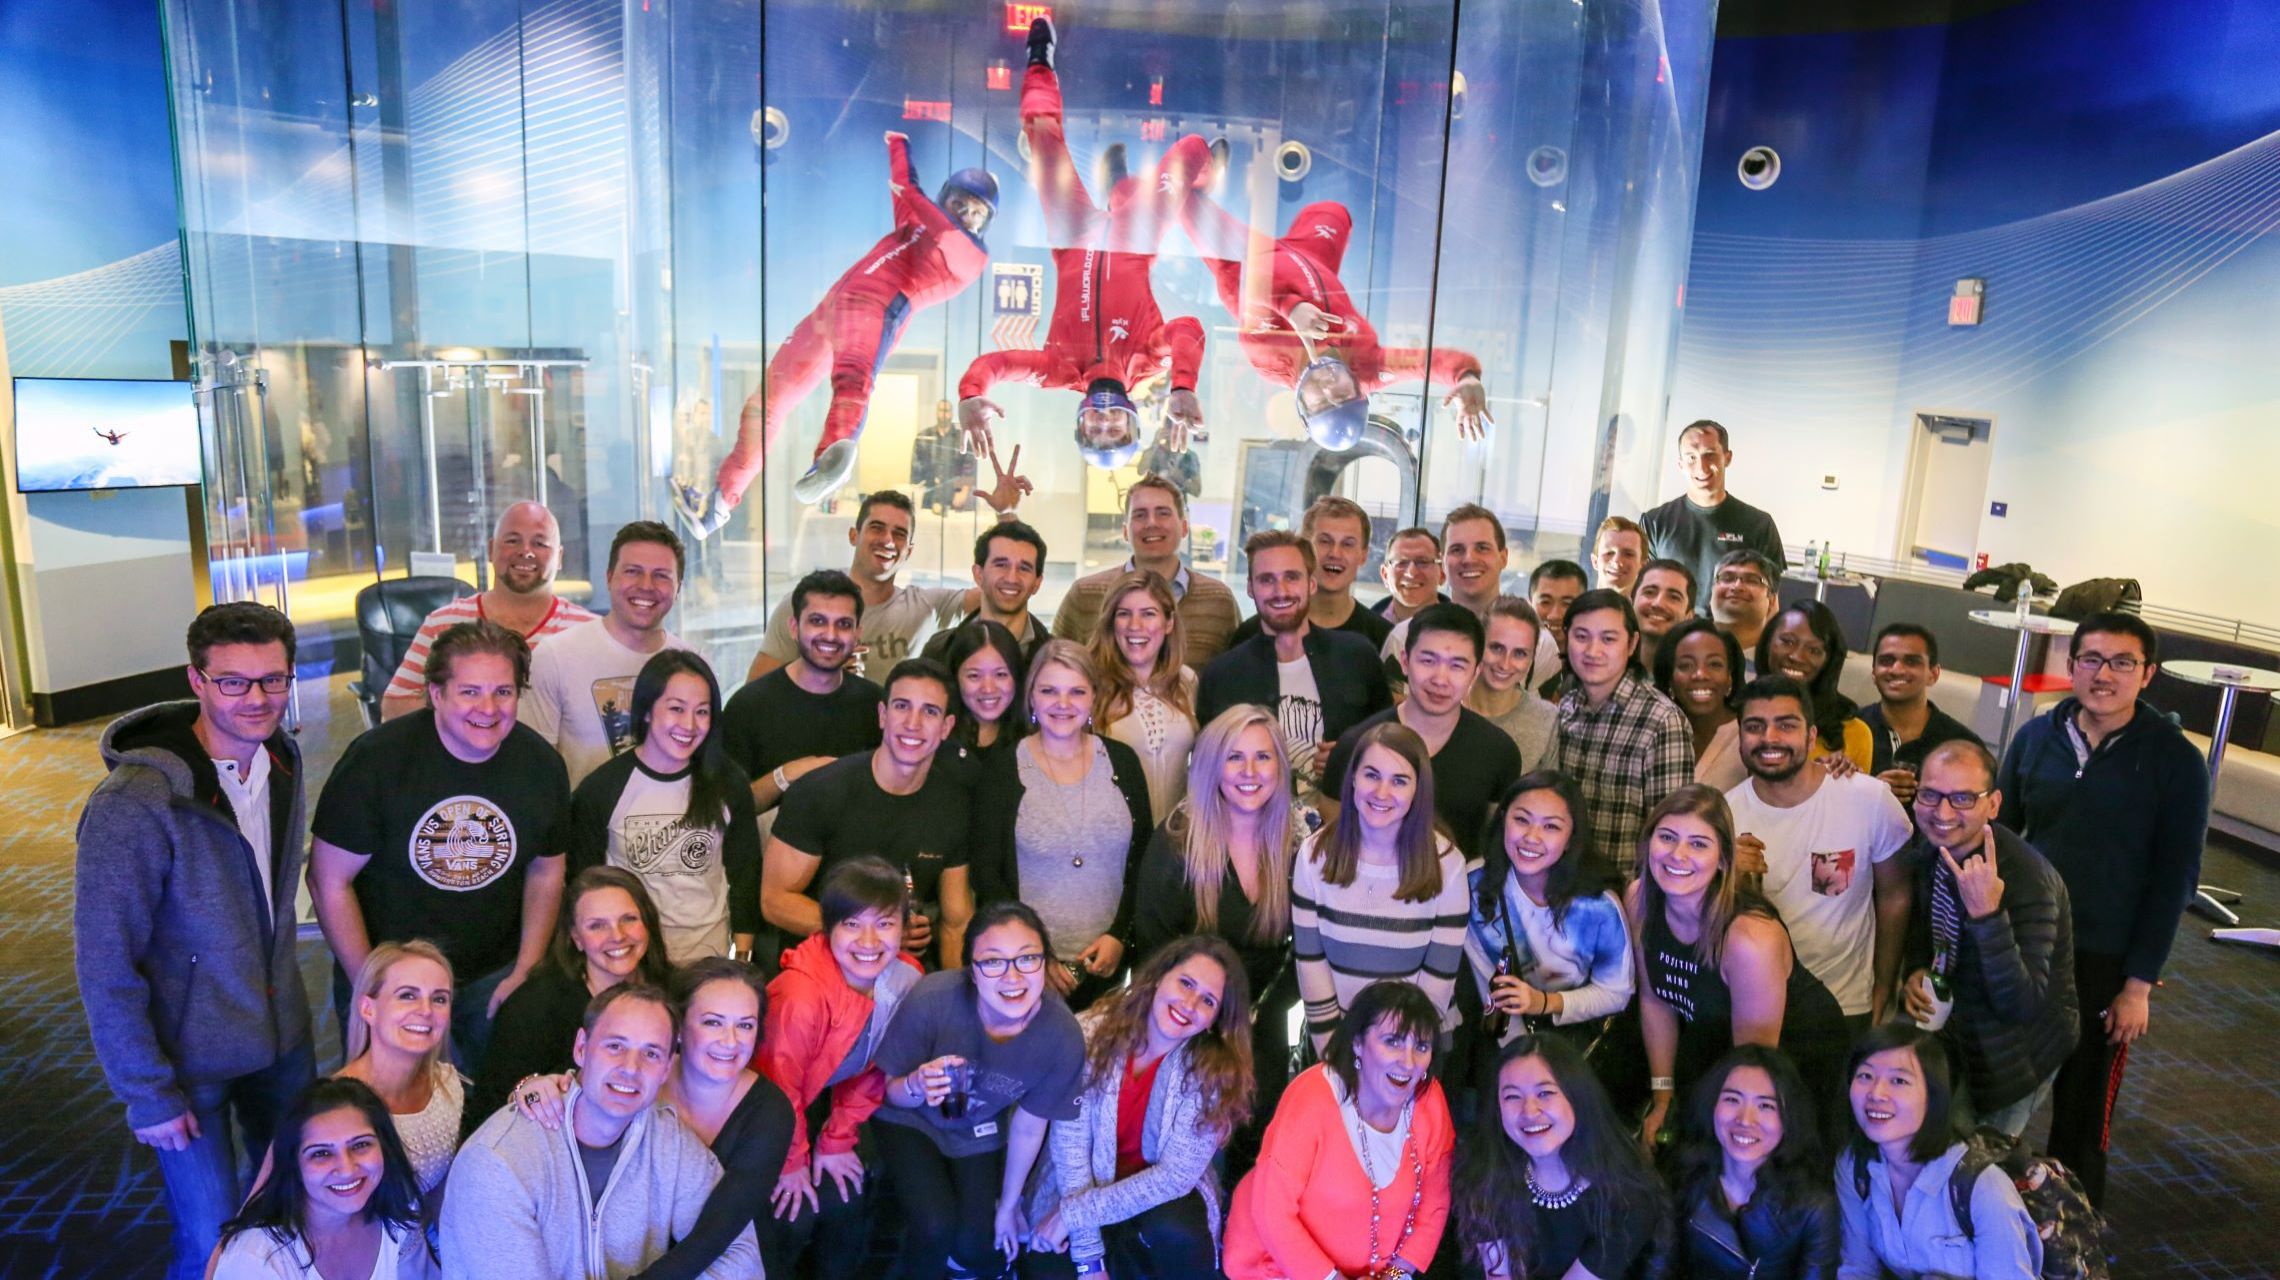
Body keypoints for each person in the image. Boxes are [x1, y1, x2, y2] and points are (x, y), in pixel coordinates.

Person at [76, 602, 314, 1280]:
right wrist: (146, 1091)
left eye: (273, 680)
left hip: (283, 1037)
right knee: (212, 1244)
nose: (257, 699)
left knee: (292, 1215)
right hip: (190, 1061)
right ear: (198, 680)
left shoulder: (284, 758)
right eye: (233, 682)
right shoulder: (136, 801)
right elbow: (104, 961)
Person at [1996, 610, 2204, 1207]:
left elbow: (2175, 878)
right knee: (1996, 1082)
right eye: (2090, 659)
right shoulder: (2037, 736)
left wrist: (2138, 985)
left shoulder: (2174, 760)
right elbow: (2003, 834)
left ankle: (2075, 1235)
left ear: (2148, 674)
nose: (2103, 674)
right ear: (2071, 665)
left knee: (2084, 1113)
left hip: (2106, 957)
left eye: (2122, 662)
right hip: (2026, 943)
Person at [684, 130, 995, 515]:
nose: (966, 215)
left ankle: (829, 460)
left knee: (852, 379)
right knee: (765, 402)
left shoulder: (970, 256)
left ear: (985, 223)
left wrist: (914, 194)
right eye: (959, 203)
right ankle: (720, 501)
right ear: (945, 197)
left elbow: (926, 209)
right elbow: (905, 185)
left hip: (877, 308)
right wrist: (898, 143)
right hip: (830, 310)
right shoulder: (916, 225)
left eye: (977, 212)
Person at [310, 620, 570, 1073]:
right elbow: (328, 881)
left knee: (492, 1113)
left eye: (503, 692)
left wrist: (526, 969)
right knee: (388, 1122)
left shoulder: (541, 765)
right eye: (469, 692)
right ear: (436, 694)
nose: (488, 709)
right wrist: (369, 986)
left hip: (493, 975)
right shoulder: (376, 762)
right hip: (393, 982)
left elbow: (546, 871)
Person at [956, 20, 1210, 472]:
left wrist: (972, 395)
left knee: (1040, 135)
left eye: (1095, 431)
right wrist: (1183, 385)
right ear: (1134, 422)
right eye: (1117, 430)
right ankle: (1145, 189)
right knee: (1193, 150)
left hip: (1071, 237)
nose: (1105, 420)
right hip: (1136, 235)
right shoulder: (1148, 360)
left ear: (1080, 422)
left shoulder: (1055, 370)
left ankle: (1039, 60)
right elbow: (1188, 329)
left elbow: (995, 363)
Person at [442, 984, 762, 1279]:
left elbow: (741, 1253)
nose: (631, 1067)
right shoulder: (497, 1162)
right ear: (581, 1048)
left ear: (666, 1069)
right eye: (615, 1046)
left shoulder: (668, 1140)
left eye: (651, 1053)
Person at [1174, 176, 1489, 453]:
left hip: (1245, 258)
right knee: (1335, 211)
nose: (1327, 389)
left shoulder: (1270, 360)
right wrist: (1466, 376)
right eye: (1341, 396)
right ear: (1358, 390)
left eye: (1320, 402)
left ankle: (1195, 180)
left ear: (1302, 405)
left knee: (1179, 192)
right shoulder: (1368, 367)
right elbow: (1426, 365)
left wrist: (1291, 308)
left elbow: (1252, 284)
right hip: (1313, 255)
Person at [872, 902, 1087, 1279]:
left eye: (1027, 959)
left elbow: (1029, 1125)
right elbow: (888, 1093)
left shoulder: (1062, 1034)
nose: (1012, 977)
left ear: (1046, 963)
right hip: (909, 1118)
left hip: (977, 1127)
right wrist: (917, 1084)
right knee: (936, 1225)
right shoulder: (932, 998)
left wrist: (1009, 1205)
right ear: (972, 970)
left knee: (980, 1245)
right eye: (993, 962)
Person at [1630, 786, 1850, 1151]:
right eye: (1666, 837)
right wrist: (1663, 1099)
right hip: (1713, 1039)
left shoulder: (1750, 940)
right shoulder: (1639, 898)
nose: (1677, 854)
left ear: (1722, 860)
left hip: (1793, 1062)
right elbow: (1656, 999)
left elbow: (1754, 1066)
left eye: (1698, 844)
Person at [1024, 936, 1257, 1280]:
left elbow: (1173, 1178)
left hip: (1156, 1199)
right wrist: (1090, 1261)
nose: (1189, 1004)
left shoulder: (1213, 1072)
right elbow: (1069, 1150)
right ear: (1159, 976)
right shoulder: (1090, 1032)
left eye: (1208, 1000)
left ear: (1215, 1020)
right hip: (1080, 1185)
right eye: (1185, 983)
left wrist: (1071, 1216)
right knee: (1044, 1266)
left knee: (1177, 1231)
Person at [755, 859, 926, 1280]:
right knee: (793, 1214)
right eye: (851, 924)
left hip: (827, 1099)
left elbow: (878, 1065)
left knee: (846, 1200)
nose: (869, 941)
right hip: (767, 1112)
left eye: (885, 924)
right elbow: (777, 1085)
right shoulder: (801, 995)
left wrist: (837, 1139)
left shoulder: (906, 977)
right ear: (827, 928)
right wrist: (793, 1161)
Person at [1900, 740, 2077, 1138]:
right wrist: (1913, 970)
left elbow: (2022, 1004)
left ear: (1993, 805)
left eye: (1963, 798)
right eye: (1930, 795)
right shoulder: (1931, 850)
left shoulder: (2028, 881)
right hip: (1959, 1037)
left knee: (1978, 1167)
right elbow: (1923, 932)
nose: (1942, 813)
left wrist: (1987, 916)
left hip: (2015, 1059)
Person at [1223, 981, 1456, 1280]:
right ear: (1357, 1042)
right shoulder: (1311, 1098)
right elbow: (1272, 1213)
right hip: (1277, 1266)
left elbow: (1434, 1204)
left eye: (1421, 1047)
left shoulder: (1429, 1099)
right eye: (1393, 1041)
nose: (1408, 1062)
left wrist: (1395, 1275)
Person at [970, 641, 1156, 1010]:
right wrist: (1035, 953)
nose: (1063, 704)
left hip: (1109, 967)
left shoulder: (1123, 762)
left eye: (1076, 691)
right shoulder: (1003, 769)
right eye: (1049, 691)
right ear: (1031, 698)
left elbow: (1143, 861)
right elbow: (988, 875)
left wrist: (1120, 937)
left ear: (1093, 698)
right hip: (1025, 971)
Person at [1725, 675, 1914, 1026]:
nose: (1769, 738)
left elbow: (1896, 895)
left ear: (1811, 736)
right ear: (1740, 737)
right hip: (1753, 1004)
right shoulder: (1723, 816)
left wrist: (1884, 987)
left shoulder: (1868, 799)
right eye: (1755, 726)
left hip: (1845, 1004)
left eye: (1786, 725)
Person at [766, 657, 976, 967]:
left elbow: (956, 923)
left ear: (946, 727)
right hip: (818, 972)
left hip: (903, 975)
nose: (913, 723)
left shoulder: (952, 803)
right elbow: (775, 901)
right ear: (882, 715)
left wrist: (956, 1005)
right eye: (902, 706)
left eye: (929, 712)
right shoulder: (820, 792)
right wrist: (877, 931)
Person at [566, 650, 759, 963]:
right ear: (645, 711)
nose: (689, 724)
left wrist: (742, 956)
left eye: (702, 712)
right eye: (676, 709)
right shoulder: (601, 789)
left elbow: (745, 873)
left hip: (710, 957)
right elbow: (584, 886)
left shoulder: (728, 781)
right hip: (631, 961)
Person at [1293, 721, 1470, 1054]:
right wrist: (1335, 1057)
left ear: (1419, 790)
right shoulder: (1313, 855)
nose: (1382, 792)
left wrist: (1395, 1057)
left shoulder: (1448, 864)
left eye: (1399, 781)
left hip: (1416, 1044)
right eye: (1371, 775)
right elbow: (1310, 962)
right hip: (1334, 1041)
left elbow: (1438, 981)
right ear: (1353, 779)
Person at [618, 958, 796, 1280]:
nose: (730, 1041)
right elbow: (578, 1086)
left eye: (745, 1025)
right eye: (713, 1022)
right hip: (634, 1244)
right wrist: (535, 1086)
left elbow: (715, 1233)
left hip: (724, 1254)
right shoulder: (641, 1074)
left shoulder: (771, 1111)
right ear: (680, 1027)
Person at [468, 866, 674, 1132]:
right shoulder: (534, 1007)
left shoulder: (677, 993)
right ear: (576, 937)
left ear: (648, 922)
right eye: (597, 925)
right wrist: (528, 1089)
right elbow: (493, 1106)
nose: (618, 935)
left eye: (629, 919)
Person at [1198, 530, 1393, 801]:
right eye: (1267, 580)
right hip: (1252, 834)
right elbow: (1206, 770)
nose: (1281, 591)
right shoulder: (1221, 675)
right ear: (1250, 587)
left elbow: (1392, 742)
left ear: (1311, 584)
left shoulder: (1357, 656)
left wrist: (1353, 754)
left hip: (1342, 830)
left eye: (1292, 577)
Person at [1835, 1025, 2042, 1279]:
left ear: (1934, 1097)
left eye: (1899, 1080)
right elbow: (1858, 1269)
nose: (1876, 1093)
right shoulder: (1853, 1166)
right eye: (1865, 1076)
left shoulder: (1982, 1187)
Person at [1321, 603, 1521, 861]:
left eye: (1457, 666)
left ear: (1475, 673)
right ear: (1404, 661)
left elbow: (1496, 848)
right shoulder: (1356, 744)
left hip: (1459, 896)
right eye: (1428, 661)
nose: (1440, 678)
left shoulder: (1499, 752)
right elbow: (1333, 843)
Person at [1454, 1034, 1665, 1280]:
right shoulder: (1485, 1172)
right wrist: (1395, 1274)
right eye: (1512, 1096)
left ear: (1577, 1096)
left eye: (1545, 1093)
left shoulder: (1628, 1198)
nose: (1529, 1111)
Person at [1464, 773, 1634, 1055]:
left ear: (1570, 838)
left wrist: (1544, 1002)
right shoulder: (1476, 884)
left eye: (1551, 827)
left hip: (1575, 1043)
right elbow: (1488, 987)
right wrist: (1522, 1058)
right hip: (1505, 1040)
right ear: (1503, 819)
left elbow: (1616, 993)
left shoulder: (1597, 907)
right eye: (1521, 820)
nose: (1532, 837)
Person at [380, 501, 596, 722]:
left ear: (559, 557)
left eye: (540, 543)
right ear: (491, 549)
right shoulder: (443, 623)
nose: (525, 551)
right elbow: (394, 708)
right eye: (512, 541)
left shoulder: (589, 632)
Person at [209, 1078, 438, 1280]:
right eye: (321, 1153)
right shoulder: (254, 1261)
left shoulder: (398, 1217)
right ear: (294, 1166)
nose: (347, 1169)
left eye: (361, 1145)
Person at [518, 521, 688, 787]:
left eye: (661, 575)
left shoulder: (692, 665)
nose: (646, 585)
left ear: (679, 587)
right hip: (584, 825)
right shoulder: (556, 656)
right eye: (633, 571)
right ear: (609, 577)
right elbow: (531, 770)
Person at [748, 490, 974, 682]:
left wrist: (1005, 512)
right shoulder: (803, 605)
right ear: (854, 535)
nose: (887, 540)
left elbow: (1000, 594)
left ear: (910, 550)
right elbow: (755, 692)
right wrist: (818, 670)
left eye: (899, 533)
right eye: (877, 528)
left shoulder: (926, 606)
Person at [1657, 1045, 1840, 1280]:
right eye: (1732, 1100)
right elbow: (1658, 1270)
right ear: (1711, 1105)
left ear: (1788, 1118)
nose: (1745, 1120)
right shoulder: (1681, 1178)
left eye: (1766, 1106)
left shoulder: (1815, 1209)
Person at [719, 569, 882, 819]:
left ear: (857, 634)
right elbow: (727, 811)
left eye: (843, 624)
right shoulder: (747, 707)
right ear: (794, 628)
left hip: (857, 854)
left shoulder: (875, 704)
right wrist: (786, 775)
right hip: (769, 852)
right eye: (817, 621)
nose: (830, 635)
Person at [1553, 589, 1694, 878]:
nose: (1592, 651)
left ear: (1632, 644)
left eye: (1608, 639)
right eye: (1581, 637)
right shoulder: (1564, 709)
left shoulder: (1663, 720)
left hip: (1624, 895)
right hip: (1558, 887)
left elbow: (1672, 833)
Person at [1050, 474, 1241, 666]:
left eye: (1163, 513)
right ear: (1125, 531)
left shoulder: (1219, 601)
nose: (1151, 523)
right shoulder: (1085, 596)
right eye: (1140, 515)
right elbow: (1053, 670)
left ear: (1184, 527)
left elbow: (1237, 675)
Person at [336, 942, 464, 1198]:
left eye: (439, 999)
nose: (426, 1011)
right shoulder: (330, 1107)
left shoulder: (447, 1083)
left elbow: (440, 1192)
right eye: (407, 995)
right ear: (368, 1009)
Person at [1087, 570, 1199, 823]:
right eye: (1124, 614)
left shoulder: (1187, 681)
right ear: (1111, 622)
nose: (1134, 626)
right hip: (1112, 841)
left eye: (1148, 614)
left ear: (1169, 623)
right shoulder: (1089, 684)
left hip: (1173, 844)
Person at [1641, 420, 1787, 605]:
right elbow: (1643, 591)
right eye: (1691, 457)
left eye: (1709, 455)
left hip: (1734, 632)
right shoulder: (1655, 522)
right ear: (1680, 464)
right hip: (1672, 632)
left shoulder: (1759, 525)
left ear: (1727, 458)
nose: (1701, 467)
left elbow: (1771, 600)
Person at [1229, 496, 1394, 649]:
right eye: (1324, 541)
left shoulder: (1384, 639)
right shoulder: (1251, 635)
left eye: (1347, 544)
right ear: (1304, 549)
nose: (1335, 553)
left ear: (1363, 555)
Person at [1860, 623, 1980, 808]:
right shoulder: (1847, 731)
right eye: (1886, 660)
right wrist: (1869, 791)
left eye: (1911, 662)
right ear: (1874, 672)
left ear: (1933, 674)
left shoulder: (1962, 744)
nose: (1897, 669)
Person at [1755, 602, 1872, 772]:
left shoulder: (1855, 734)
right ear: (1767, 642)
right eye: (1787, 642)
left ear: (1828, 661)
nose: (1796, 656)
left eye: (1814, 651)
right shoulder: (1733, 712)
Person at [922, 519, 1053, 669]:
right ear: (979, 575)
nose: (1012, 578)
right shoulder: (939, 651)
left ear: (1037, 583)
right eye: (1001, 565)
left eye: (1024, 568)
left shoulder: (1056, 659)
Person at [1468, 597, 1561, 771]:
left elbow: (1550, 791)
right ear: (1478, 646)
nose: (1505, 664)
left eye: (1520, 653)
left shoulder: (1547, 719)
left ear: (1532, 658)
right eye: (1496, 648)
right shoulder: (1446, 707)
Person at [1655, 617, 1746, 790]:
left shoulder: (1749, 734)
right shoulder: (1655, 731)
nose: (1700, 674)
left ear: (1729, 678)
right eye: (1686, 665)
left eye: (1714, 665)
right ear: (1669, 680)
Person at [939, 619, 1028, 776]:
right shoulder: (935, 740)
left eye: (1000, 675)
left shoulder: (1033, 741)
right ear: (954, 677)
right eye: (974, 676)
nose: (988, 688)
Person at [1708, 551, 1780, 667]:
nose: (1736, 586)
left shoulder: (1777, 662)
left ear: (1772, 601)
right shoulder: (1683, 646)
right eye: (1726, 578)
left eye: (1752, 580)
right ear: (1710, 593)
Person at [1631, 557, 1697, 673]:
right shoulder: (1601, 668)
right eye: (1649, 592)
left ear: (1689, 616)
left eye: (1673, 597)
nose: (1658, 603)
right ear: (1631, 602)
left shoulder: (1695, 679)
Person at [1527, 558, 1588, 681]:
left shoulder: (1595, 665)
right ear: (1529, 604)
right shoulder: (1512, 661)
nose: (1555, 615)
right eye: (1545, 602)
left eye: (1567, 603)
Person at [1374, 525, 1449, 624]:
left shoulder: (1468, 631)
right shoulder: (1362, 630)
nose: (1411, 573)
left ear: (1442, 573)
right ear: (1385, 575)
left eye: (1423, 562)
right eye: (1401, 562)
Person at [1591, 515, 1649, 595]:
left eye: (1628, 554)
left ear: (1643, 566)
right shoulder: (1573, 607)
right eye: (1609, 553)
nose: (1617, 561)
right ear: (1595, 561)